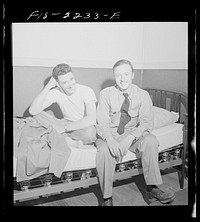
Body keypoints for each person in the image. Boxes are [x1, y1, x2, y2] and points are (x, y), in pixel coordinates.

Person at [96, 59, 175, 206]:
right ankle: (107, 198)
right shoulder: (105, 94)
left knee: (150, 140)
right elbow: (102, 122)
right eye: (118, 75)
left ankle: (152, 188)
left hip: (132, 134)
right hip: (110, 134)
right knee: (105, 151)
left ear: (133, 74)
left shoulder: (143, 95)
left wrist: (130, 137)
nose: (122, 79)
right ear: (114, 76)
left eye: (126, 74)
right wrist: (110, 140)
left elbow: (147, 122)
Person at [29, 63, 97, 147]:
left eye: (71, 79)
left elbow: (92, 118)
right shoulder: (56, 92)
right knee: (37, 115)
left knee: (90, 134)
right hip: (64, 123)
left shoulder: (86, 90)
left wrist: (65, 128)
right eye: (65, 82)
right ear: (58, 84)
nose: (71, 85)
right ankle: (67, 140)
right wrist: (48, 86)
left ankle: (57, 137)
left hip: (81, 126)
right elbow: (33, 111)